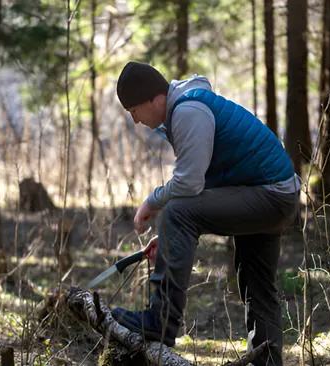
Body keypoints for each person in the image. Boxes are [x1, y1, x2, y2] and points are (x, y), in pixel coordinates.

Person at [111, 61, 300, 366]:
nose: (135, 120)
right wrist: (172, 238)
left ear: (152, 99)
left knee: (176, 209)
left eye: (133, 110)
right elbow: (201, 186)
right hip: (273, 194)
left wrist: (152, 202)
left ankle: (160, 322)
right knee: (256, 285)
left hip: (269, 195)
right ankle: (267, 362)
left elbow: (188, 184)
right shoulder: (188, 107)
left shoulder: (187, 111)